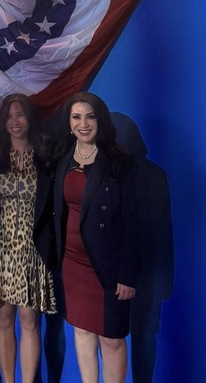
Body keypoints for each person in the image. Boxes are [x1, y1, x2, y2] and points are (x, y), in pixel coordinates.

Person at [52, 92, 141, 383]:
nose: (83, 123)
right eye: (76, 117)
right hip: (72, 264)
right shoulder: (62, 158)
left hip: (109, 267)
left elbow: (133, 220)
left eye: (90, 116)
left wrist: (127, 274)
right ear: (69, 122)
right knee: (81, 330)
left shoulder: (119, 161)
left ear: (100, 120)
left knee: (112, 339)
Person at [0, 93, 57, 383]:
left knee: (29, 322)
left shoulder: (47, 155)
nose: (15, 122)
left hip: (32, 251)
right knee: (2, 320)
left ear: (30, 118)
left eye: (20, 115)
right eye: (9, 116)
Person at [110, 112, 174, 383]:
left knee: (134, 339)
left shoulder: (146, 175)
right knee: (136, 340)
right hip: (139, 275)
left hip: (141, 275)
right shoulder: (153, 174)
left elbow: (162, 230)